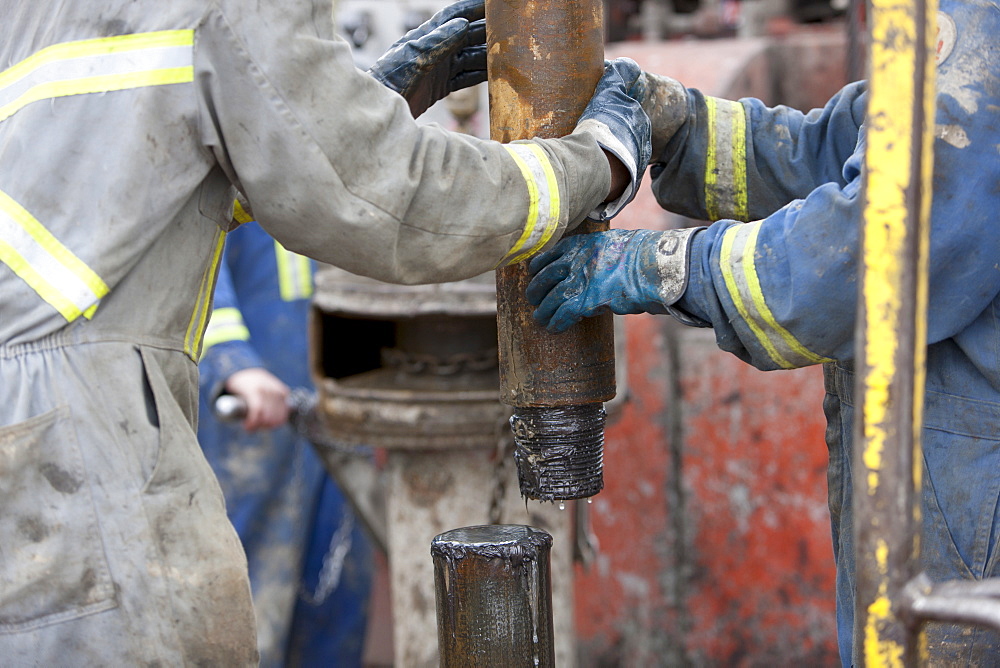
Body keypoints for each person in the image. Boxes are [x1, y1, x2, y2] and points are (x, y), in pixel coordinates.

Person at [0, 0, 651, 663]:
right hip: (76, 437)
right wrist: (597, 164)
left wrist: (346, 105)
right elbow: (394, 200)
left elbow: (134, 174)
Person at [525, 1, 999, 664]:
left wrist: (667, 266)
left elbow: (871, 249)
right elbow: (841, 155)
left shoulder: (978, 22)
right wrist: (679, 125)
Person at [197, 213, 372, 667]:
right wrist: (232, 363)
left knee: (336, 595)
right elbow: (185, 262)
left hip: (340, 404)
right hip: (251, 415)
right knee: (249, 599)